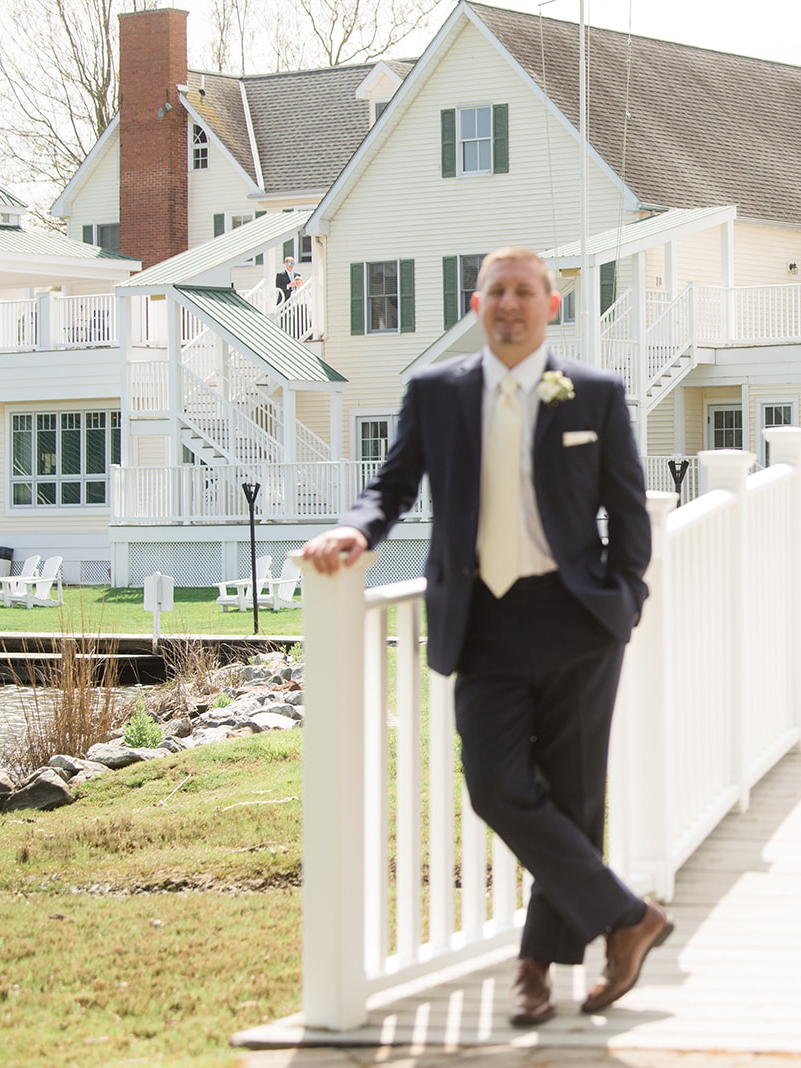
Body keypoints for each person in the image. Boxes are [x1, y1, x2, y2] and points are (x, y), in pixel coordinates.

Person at [300, 247, 669, 1028]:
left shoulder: (593, 394)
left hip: (577, 621)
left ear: (551, 306)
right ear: (476, 304)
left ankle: (535, 970)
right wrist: (354, 531)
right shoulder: (436, 392)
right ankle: (626, 916)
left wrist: (626, 598)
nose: (510, 304)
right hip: (484, 623)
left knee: (573, 798)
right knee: (495, 785)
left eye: (524, 291)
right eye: (496, 291)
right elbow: (392, 484)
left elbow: (629, 508)